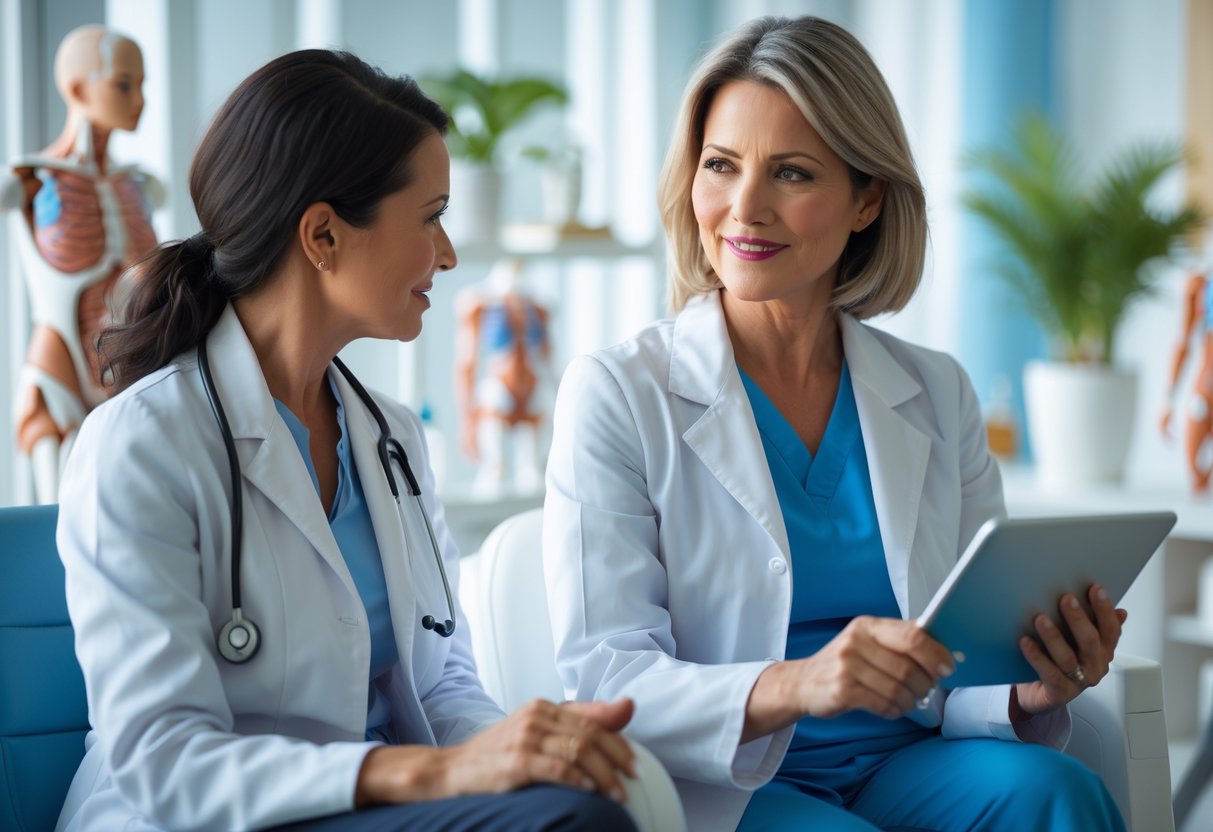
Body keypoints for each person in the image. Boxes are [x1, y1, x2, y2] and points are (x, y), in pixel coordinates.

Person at [542, 16, 1126, 832]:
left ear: (866, 200)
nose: (743, 208)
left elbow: (967, 647)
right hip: (733, 786)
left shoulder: (934, 389)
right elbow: (601, 675)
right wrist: (799, 682)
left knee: (1060, 794)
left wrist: (1031, 683)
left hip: (909, 761)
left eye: (790, 173)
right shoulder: (616, 392)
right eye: (720, 165)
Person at [54, 50, 638, 832]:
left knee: (578, 804)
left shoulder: (391, 441)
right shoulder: (140, 445)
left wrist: (510, 752)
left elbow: (440, 684)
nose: (449, 254)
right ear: (323, 235)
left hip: (369, 806)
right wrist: (436, 770)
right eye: (430, 216)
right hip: (200, 817)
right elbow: (166, 758)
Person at [0, 24, 161, 504]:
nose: (140, 100)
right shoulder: (31, 179)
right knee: (55, 483)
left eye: (141, 85)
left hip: (133, 350)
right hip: (66, 350)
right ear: (75, 89)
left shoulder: (138, 185)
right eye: (124, 84)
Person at [455, 256, 553, 495]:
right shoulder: (481, 306)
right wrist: (468, 419)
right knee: (494, 469)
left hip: (531, 383)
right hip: (499, 382)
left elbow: (549, 357)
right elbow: (467, 361)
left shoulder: (537, 308)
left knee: (534, 472)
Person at [1160, 265, 1213, 492]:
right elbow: (1183, 342)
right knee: (1195, 471)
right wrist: (1168, 402)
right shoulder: (1200, 285)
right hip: (1206, 388)